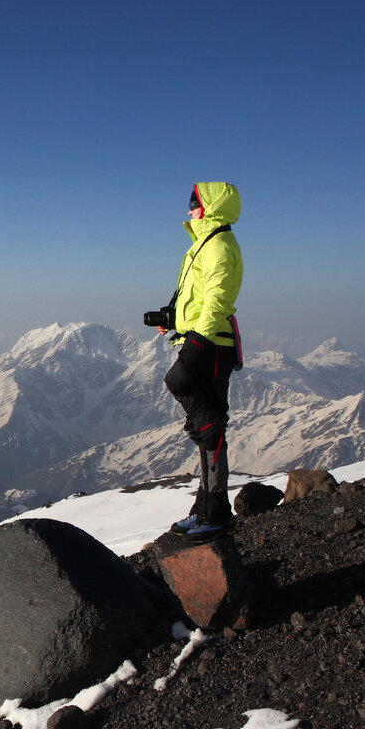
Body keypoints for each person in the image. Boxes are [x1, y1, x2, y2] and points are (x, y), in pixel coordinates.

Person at [160, 182, 243, 542]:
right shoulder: (203, 245)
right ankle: (205, 509)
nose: (189, 209)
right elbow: (197, 299)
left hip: (210, 344)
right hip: (201, 338)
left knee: (209, 425)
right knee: (203, 428)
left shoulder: (219, 246)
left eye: (195, 203)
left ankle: (218, 513)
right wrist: (172, 318)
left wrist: (197, 341)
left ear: (210, 207)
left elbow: (218, 299)